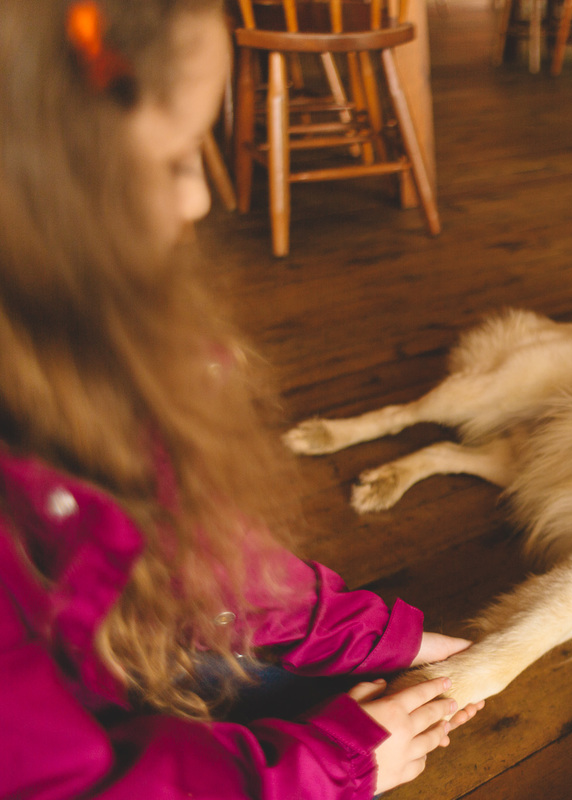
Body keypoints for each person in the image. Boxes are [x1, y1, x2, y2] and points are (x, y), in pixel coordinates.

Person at [0, 1, 482, 797]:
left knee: (333, 697)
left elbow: (206, 560)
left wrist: (384, 639)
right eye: (175, 160)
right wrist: (334, 763)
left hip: (98, 672)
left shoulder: (83, 352)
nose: (198, 201)